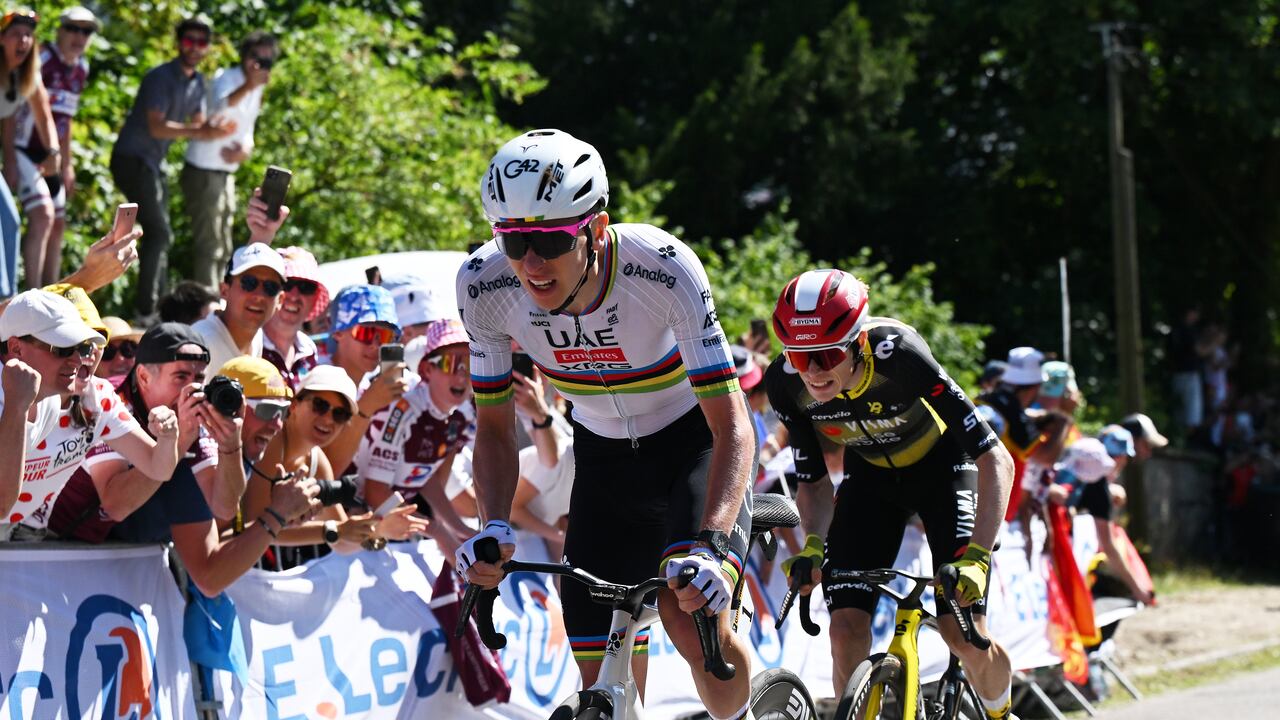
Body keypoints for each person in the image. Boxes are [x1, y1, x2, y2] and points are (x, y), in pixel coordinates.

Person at [456, 129, 755, 720]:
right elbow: (493, 431)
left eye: (548, 238)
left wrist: (716, 544)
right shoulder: (484, 285)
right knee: (599, 667)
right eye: (513, 240)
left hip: (690, 451)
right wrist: (491, 525)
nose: (530, 262)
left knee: (690, 620)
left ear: (595, 228)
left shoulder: (661, 268)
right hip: (602, 466)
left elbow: (734, 425)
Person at [765, 269, 1018, 718]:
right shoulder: (786, 384)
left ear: (859, 342)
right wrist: (813, 545)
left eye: (826, 354)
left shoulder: (899, 357)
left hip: (945, 470)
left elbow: (995, 458)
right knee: (843, 631)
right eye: (800, 357)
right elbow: (815, 483)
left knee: (963, 634)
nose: (814, 371)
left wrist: (978, 556)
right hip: (872, 480)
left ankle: (1000, 712)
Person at [0, 289, 181, 540]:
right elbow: (1, 504)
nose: (81, 358)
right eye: (63, 347)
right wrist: (16, 408)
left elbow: (158, 468)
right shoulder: (26, 394)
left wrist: (170, 438)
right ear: (16, 349)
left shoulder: (95, 398)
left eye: (89, 344)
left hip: (23, 531)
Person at [48, 322, 244, 537]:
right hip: (45, 538)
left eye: (199, 378)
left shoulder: (192, 406)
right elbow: (116, 505)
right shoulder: (108, 399)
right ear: (144, 377)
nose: (193, 389)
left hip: (92, 543)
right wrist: (181, 440)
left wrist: (231, 447)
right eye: (180, 377)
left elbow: (225, 509)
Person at [110, 16, 235, 319]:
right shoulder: (160, 78)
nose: (194, 47)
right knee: (160, 233)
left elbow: (199, 125)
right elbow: (157, 127)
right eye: (189, 40)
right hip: (131, 159)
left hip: (153, 164)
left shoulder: (196, 83)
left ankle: (159, 309)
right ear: (179, 42)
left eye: (201, 42)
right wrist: (203, 133)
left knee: (160, 234)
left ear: (207, 48)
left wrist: (226, 136)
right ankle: (146, 310)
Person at [248, 364, 423, 559]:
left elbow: (342, 543)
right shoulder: (273, 442)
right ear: (295, 405)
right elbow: (254, 528)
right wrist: (334, 530)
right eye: (320, 406)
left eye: (340, 414)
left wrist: (378, 530)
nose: (329, 419)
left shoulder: (318, 463)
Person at [356, 319, 475, 557]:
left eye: (469, 364)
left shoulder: (462, 417)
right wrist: (438, 530)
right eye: (451, 363)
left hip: (393, 526)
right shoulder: (402, 410)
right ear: (427, 370)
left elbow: (424, 477)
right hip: (357, 522)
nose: (461, 375)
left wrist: (460, 529)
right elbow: (375, 491)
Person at [182, 31, 276, 288]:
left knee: (224, 242)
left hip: (226, 172)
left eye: (266, 61)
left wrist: (246, 150)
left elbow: (248, 129)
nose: (259, 66)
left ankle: (215, 295)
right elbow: (215, 111)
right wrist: (248, 85)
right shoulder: (227, 77)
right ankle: (206, 302)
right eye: (255, 58)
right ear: (245, 56)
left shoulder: (257, 89)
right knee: (209, 242)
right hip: (203, 169)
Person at [13, 6, 95, 289]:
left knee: (59, 222)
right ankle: (32, 293)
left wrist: (67, 163)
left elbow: (66, 120)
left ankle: (52, 292)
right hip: (23, 148)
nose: (79, 37)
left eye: (86, 31)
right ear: (59, 30)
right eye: (72, 28)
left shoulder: (81, 68)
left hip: (52, 156)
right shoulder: (42, 58)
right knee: (43, 215)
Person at [1048, 435, 1155, 604]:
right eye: (1123, 458)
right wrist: (1138, 589)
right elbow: (1108, 545)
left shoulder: (1059, 467)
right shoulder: (1097, 485)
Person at [317, 283, 408, 473]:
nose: (375, 345)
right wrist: (367, 406)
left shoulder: (370, 384)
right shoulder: (318, 378)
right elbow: (326, 470)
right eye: (366, 333)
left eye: (384, 335)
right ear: (338, 332)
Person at [0, 9, 60, 295]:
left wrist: (53, 154)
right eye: (15, 34)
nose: (23, 40)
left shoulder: (21, 77)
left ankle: (11, 299)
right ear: (1, 40)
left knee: (10, 220)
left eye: (28, 34)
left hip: (16, 156)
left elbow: (11, 119)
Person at [978, 346, 1072, 521]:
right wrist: (1062, 423)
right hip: (993, 518)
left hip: (982, 512)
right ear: (1033, 387)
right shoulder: (1014, 416)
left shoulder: (986, 400)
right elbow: (1046, 457)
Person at [191, 242, 285, 373]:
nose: (259, 296)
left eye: (270, 287)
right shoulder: (200, 344)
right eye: (249, 283)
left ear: (280, 300)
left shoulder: (256, 335)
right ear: (224, 290)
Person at [262, 246, 329, 390]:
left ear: (315, 298)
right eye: (286, 284)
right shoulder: (248, 341)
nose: (294, 295)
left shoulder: (309, 350)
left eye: (306, 287)